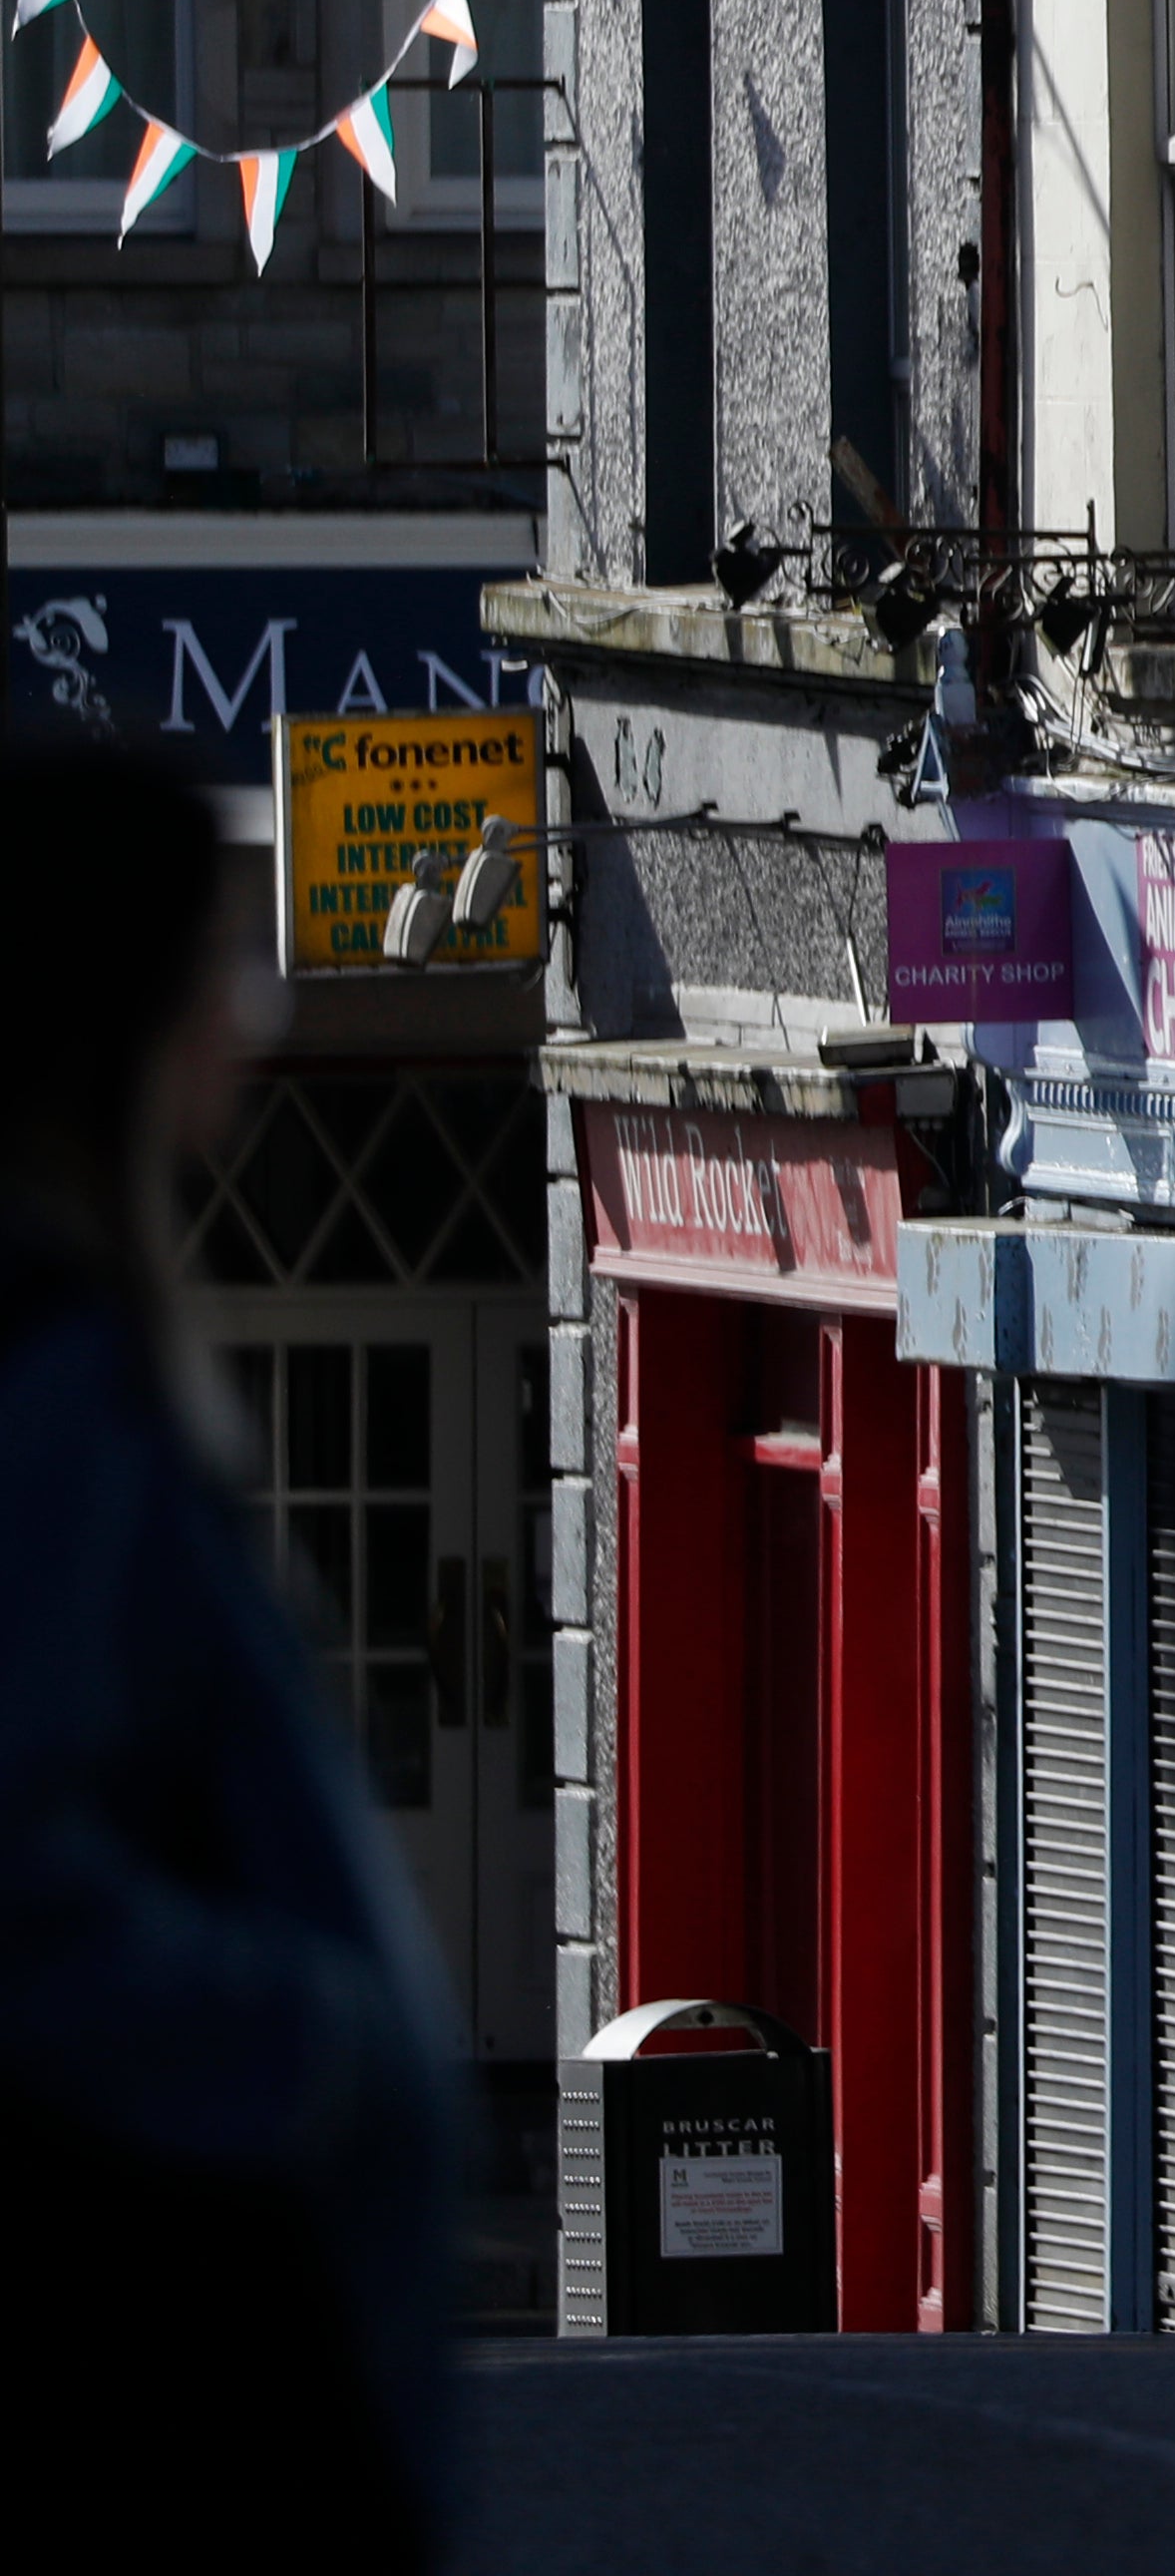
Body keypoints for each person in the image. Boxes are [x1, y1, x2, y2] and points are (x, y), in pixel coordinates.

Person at [0, 747, 459, 2564]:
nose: (251, 1018)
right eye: (217, 962)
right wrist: (322, 2042)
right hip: (166, 2331)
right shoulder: (55, 1383)